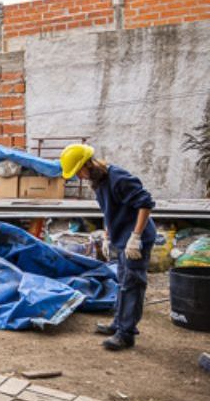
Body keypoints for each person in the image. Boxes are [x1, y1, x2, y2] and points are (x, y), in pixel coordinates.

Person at [60, 144, 156, 351]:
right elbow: (109, 210)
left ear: (88, 164)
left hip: (136, 239)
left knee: (132, 284)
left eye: (78, 172)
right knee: (122, 281)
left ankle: (126, 334)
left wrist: (136, 236)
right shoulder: (99, 182)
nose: (79, 177)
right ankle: (118, 324)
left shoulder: (118, 177)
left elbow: (145, 203)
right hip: (121, 236)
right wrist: (107, 235)